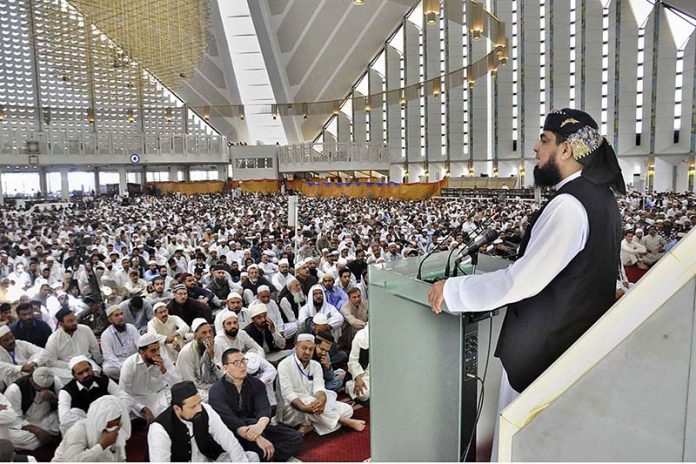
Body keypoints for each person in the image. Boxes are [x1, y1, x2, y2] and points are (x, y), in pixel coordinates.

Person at [428, 108, 623, 458]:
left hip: (543, 355)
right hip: (570, 348)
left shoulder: (569, 205)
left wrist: (452, 290)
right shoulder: (603, 199)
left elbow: (520, 283)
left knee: (521, 447)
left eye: (545, 141)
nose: (535, 148)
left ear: (567, 150)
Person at [209, 348, 303, 462]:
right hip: (232, 433)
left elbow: (264, 409)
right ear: (225, 367)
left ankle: (269, 455)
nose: (242, 366)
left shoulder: (256, 384)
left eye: (243, 361)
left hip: (256, 427)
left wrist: (259, 428)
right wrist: (258, 437)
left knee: (295, 437)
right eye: (236, 363)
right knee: (258, 449)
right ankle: (266, 454)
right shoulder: (217, 391)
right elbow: (230, 421)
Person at [147, 380, 258, 462]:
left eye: (199, 402)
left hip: (208, 459)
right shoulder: (159, 430)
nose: (199, 409)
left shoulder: (205, 409)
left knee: (251, 457)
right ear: (177, 409)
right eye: (193, 407)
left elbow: (228, 440)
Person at [276, 334, 364, 436]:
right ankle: (343, 421)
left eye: (311, 349)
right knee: (312, 402)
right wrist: (304, 407)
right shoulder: (284, 365)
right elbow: (288, 394)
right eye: (304, 348)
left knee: (347, 410)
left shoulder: (315, 365)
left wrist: (322, 399)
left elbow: (319, 387)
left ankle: (312, 426)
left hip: (313, 406)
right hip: (293, 409)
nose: (307, 352)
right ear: (296, 346)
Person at [118, 333, 181, 422]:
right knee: (122, 407)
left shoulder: (163, 359)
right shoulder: (130, 365)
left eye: (158, 349)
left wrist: (164, 370)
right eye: (153, 351)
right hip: (138, 400)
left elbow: (178, 383)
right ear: (141, 352)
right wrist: (143, 409)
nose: (157, 353)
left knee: (180, 406)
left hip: (160, 395)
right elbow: (123, 392)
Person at [52, 394, 130, 462]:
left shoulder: (117, 430)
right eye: (109, 424)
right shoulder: (78, 430)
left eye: (117, 421)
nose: (115, 428)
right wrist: (102, 446)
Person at [57, 356, 119, 435]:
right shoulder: (66, 391)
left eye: (87, 370)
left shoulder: (104, 381)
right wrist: (94, 424)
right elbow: (64, 418)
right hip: (84, 428)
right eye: (80, 373)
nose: (86, 375)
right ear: (74, 376)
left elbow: (121, 396)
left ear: (92, 368)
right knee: (74, 412)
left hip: (107, 420)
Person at [3, 368, 61, 450]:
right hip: (25, 423)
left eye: (46, 387)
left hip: (46, 419)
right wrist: (36, 430)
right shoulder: (14, 390)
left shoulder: (55, 381)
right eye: (39, 387)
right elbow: (14, 418)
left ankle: (44, 438)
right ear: (32, 381)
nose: (43, 390)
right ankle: (48, 437)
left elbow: (64, 405)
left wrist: (54, 399)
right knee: (12, 437)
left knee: (67, 418)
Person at [41, 308, 103, 383]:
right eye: (70, 321)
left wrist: (100, 363)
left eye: (74, 319)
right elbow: (51, 361)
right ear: (61, 324)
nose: (74, 323)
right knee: (59, 375)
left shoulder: (85, 329)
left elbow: (95, 349)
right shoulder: (54, 338)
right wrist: (72, 365)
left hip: (87, 362)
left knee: (95, 372)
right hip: (66, 367)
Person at [176, 319, 223, 402]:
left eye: (210, 331)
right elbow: (190, 383)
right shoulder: (186, 352)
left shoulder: (216, 346)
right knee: (214, 399)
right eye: (204, 333)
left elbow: (221, 375)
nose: (208, 335)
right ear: (195, 335)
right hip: (194, 390)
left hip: (213, 385)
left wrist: (211, 359)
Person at [100, 306, 140, 381]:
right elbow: (108, 356)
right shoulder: (106, 335)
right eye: (116, 315)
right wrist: (123, 367)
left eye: (121, 314)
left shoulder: (131, 328)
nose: (121, 317)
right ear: (110, 319)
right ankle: (127, 377)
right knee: (107, 369)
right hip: (119, 361)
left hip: (135, 358)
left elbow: (140, 345)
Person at [0, 325, 44, 392]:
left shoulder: (21, 343)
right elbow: (3, 367)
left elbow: (43, 352)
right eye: (6, 340)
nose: (11, 341)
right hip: (10, 382)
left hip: (30, 375)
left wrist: (34, 362)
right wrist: (21, 368)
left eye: (12, 337)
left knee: (37, 357)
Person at [345, 324, 370, 402]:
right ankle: (349, 385)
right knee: (364, 394)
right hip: (363, 373)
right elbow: (353, 361)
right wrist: (358, 378)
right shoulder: (361, 336)